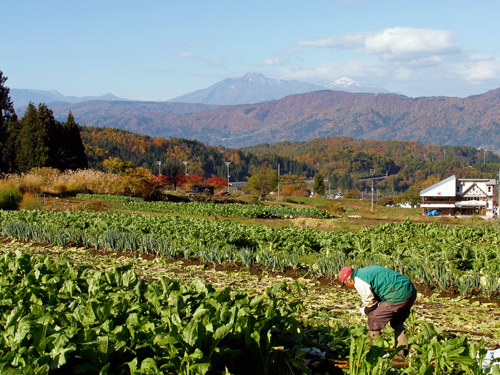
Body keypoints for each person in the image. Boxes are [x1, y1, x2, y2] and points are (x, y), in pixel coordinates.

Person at [338, 265, 417, 358]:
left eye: (346, 284)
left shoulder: (358, 281)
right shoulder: (366, 271)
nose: (348, 286)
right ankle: (401, 354)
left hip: (398, 294)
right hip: (410, 291)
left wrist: (365, 310)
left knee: (374, 318)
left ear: (349, 280)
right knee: (397, 322)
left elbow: (371, 305)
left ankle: (373, 354)